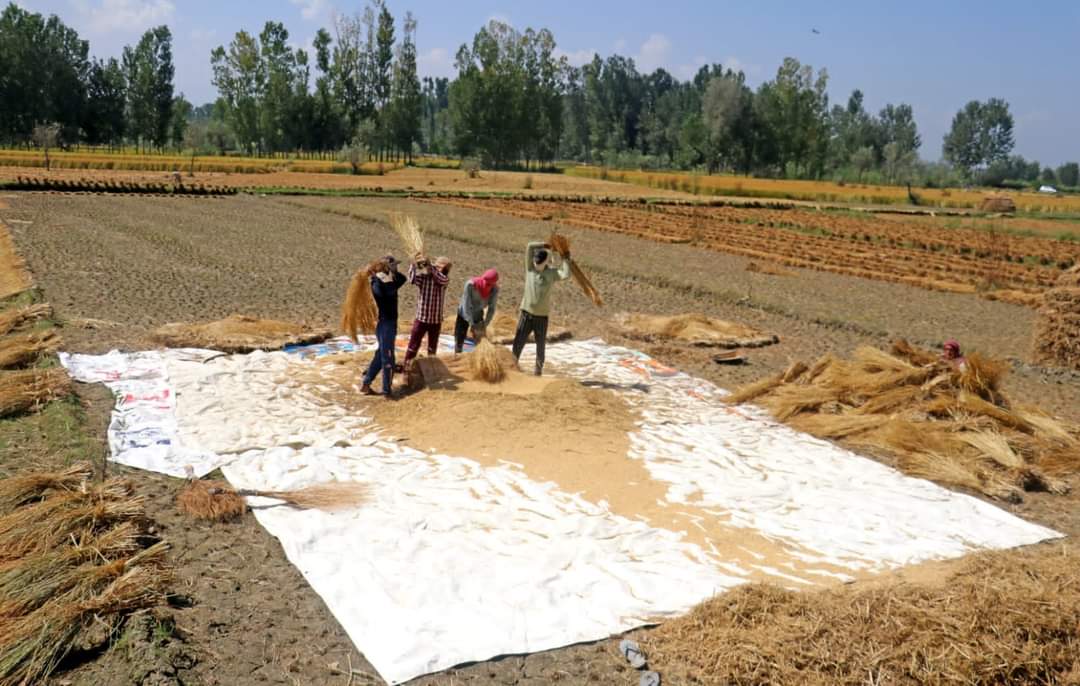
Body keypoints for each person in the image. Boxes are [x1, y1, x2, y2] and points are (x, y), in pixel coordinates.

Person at [512, 241, 571, 376]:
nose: (536, 264)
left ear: (546, 262)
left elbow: (566, 274)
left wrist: (566, 258)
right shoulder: (530, 268)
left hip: (541, 317)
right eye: (535, 261)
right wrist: (545, 244)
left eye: (539, 263)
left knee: (540, 346)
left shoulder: (551, 274)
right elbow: (529, 246)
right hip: (526, 314)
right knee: (518, 342)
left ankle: (538, 372)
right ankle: (512, 366)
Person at [360, 255, 406, 399]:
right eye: (394, 266)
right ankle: (387, 391)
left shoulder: (387, 280)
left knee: (380, 356)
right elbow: (386, 292)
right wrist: (385, 277)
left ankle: (366, 384)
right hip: (386, 325)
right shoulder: (377, 283)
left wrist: (392, 274)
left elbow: (402, 279)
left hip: (389, 324)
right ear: (386, 267)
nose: (397, 268)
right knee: (388, 358)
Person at [403, 253, 452, 368]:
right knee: (413, 346)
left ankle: (431, 368)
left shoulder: (443, 279)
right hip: (421, 318)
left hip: (435, 321)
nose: (447, 270)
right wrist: (414, 264)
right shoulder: (424, 278)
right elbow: (412, 279)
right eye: (446, 267)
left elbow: (441, 279)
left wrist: (430, 267)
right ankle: (407, 368)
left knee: (432, 348)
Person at [454, 268, 500, 354]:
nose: (486, 285)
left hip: (478, 313)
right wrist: (472, 324)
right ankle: (457, 353)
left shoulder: (494, 290)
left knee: (480, 339)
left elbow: (492, 308)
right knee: (460, 337)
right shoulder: (470, 285)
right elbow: (466, 305)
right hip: (464, 313)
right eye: (485, 282)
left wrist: (485, 324)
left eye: (489, 284)